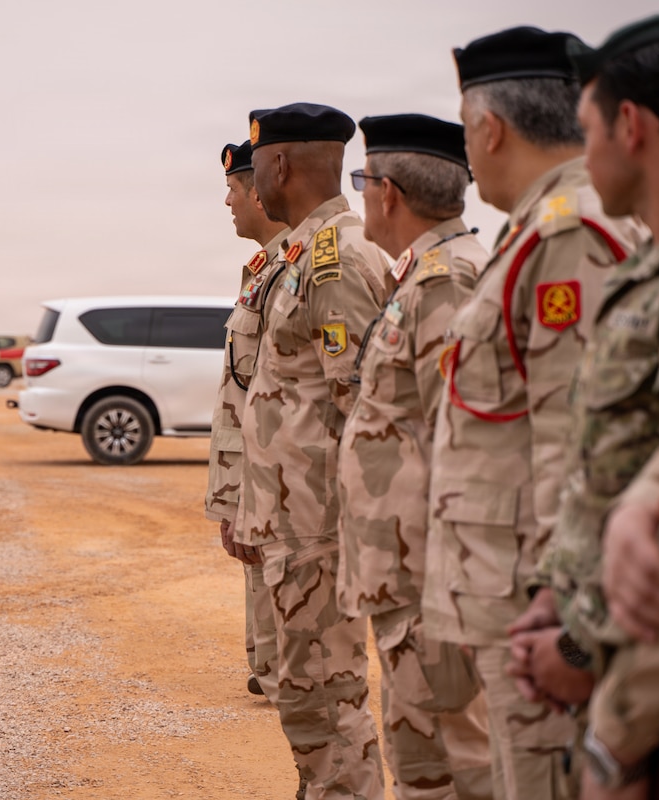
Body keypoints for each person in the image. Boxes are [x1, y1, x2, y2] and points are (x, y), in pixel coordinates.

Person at [419, 26, 645, 800]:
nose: (470, 152)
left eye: (467, 131)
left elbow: (581, 445)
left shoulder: (570, 234)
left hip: (536, 608)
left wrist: (565, 625)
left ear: (489, 127)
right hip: (511, 595)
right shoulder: (535, 231)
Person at [501, 15, 659, 800]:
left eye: (585, 131)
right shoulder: (657, 267)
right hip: (603, 647)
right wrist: (556, 601)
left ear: (630, 126)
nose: (581, 156)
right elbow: (615, 469)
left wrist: (582, 656)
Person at [238, 102, 393, 800]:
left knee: (328, 698)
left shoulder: (336, 260)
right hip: (294, 521)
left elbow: (365, 407)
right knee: (305, 696)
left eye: (258, 162)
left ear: (280, 163)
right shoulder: (301, 253)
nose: (253, 178)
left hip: (322, 527)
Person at [338, 114, 493, 800]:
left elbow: (468, 447)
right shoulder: (425, 275)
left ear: (388, 191)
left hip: (434, 583)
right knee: (423, 758)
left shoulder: (448, 283)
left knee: (457, 765)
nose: (363, 195)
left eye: (362, 181)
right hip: (408, 577)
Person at [206, 140, 289, 701]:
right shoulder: (263, 268)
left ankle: (286, 673)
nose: (227, 202)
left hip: (284, 483)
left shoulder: (297, 266)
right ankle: (271, 666)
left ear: (258, 192)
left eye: (234, 190)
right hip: (255, 479)